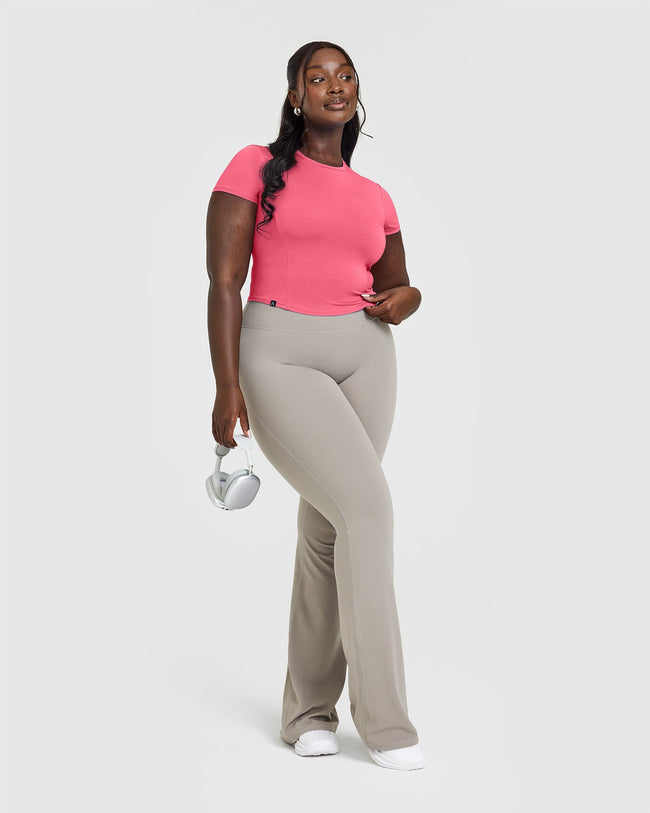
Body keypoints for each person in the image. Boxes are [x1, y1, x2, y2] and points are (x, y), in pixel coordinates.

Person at [206, 41, 425, 771]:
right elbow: (224, 282)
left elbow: (397, 285)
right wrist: (227, 383)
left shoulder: (374, 195)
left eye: (346, 75)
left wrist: (408, 299)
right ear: (295, 95)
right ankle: (388, 725)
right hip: (280, 353)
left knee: (330, 525)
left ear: (357, 93)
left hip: (366, 354)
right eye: (318, 76)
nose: (336, 85)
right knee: (369, 510)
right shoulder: (253, 167)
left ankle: (306, 712)